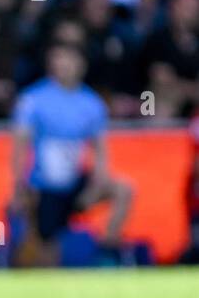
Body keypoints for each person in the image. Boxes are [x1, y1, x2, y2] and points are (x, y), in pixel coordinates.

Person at [11, 43, 134, 266]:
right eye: (58, 59)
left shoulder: (92, 103)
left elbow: (99, 149)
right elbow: (20, 146)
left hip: (76, 185)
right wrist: (19, 186)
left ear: (81, 65)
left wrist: (99, 180)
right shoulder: (33, 99)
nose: (63, 65)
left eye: (69, 59)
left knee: (124, 189)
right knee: (44, 256)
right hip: (43, 188)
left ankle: (106, 252)